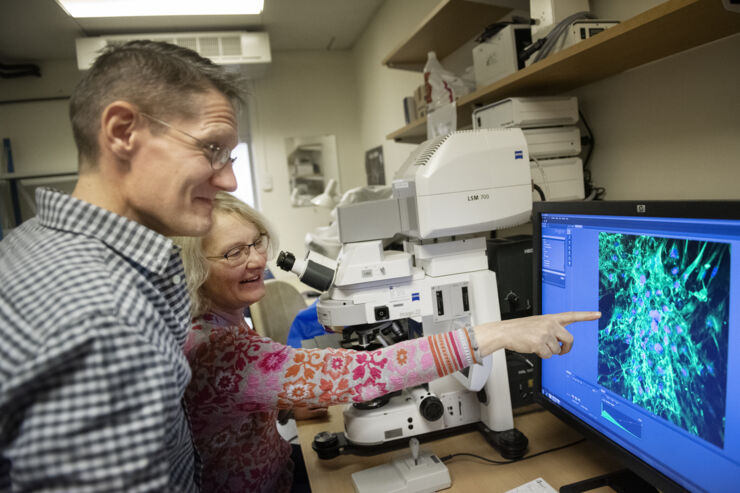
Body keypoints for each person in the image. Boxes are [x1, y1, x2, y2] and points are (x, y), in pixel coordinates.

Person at [173, 192, 600, 493]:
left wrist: (280, 400)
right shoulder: (219, 346)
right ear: (195, 266)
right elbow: (364, 374)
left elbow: (225, 401)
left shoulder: (218, 321)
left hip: (276, 469)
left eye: (256, 243)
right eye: (233, 253)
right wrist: (502, 332)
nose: (255, 260)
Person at [0, 40, 244, 491]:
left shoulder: (26, 241)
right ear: (122, 131)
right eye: (212, 148)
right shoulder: (108, 322)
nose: (228, 179)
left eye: (229, 156)